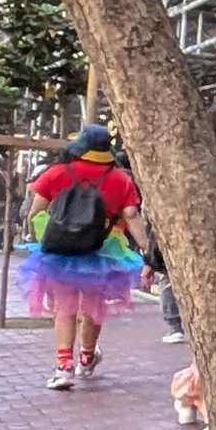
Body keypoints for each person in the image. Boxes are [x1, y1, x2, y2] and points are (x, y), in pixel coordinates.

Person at [14, 117, 145, 390]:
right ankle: (87, 358)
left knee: (64, 308)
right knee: (92, 308)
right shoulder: (121, 179)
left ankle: (64, 367)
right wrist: (147, 248)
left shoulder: (57, 173)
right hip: (104, 251)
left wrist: (43, 236)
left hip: (62, 253)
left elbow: (34, 212)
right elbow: (131, 215)